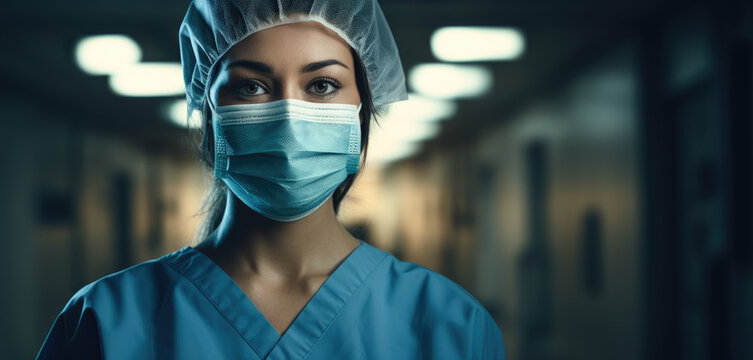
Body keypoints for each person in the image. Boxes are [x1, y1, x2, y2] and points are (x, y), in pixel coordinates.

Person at [36, 0, 505, 359]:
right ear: (209, 110)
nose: (288, 117)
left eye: (321, 85)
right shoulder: (106, 321)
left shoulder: (451, 324)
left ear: (362, 111)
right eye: (250, 85)